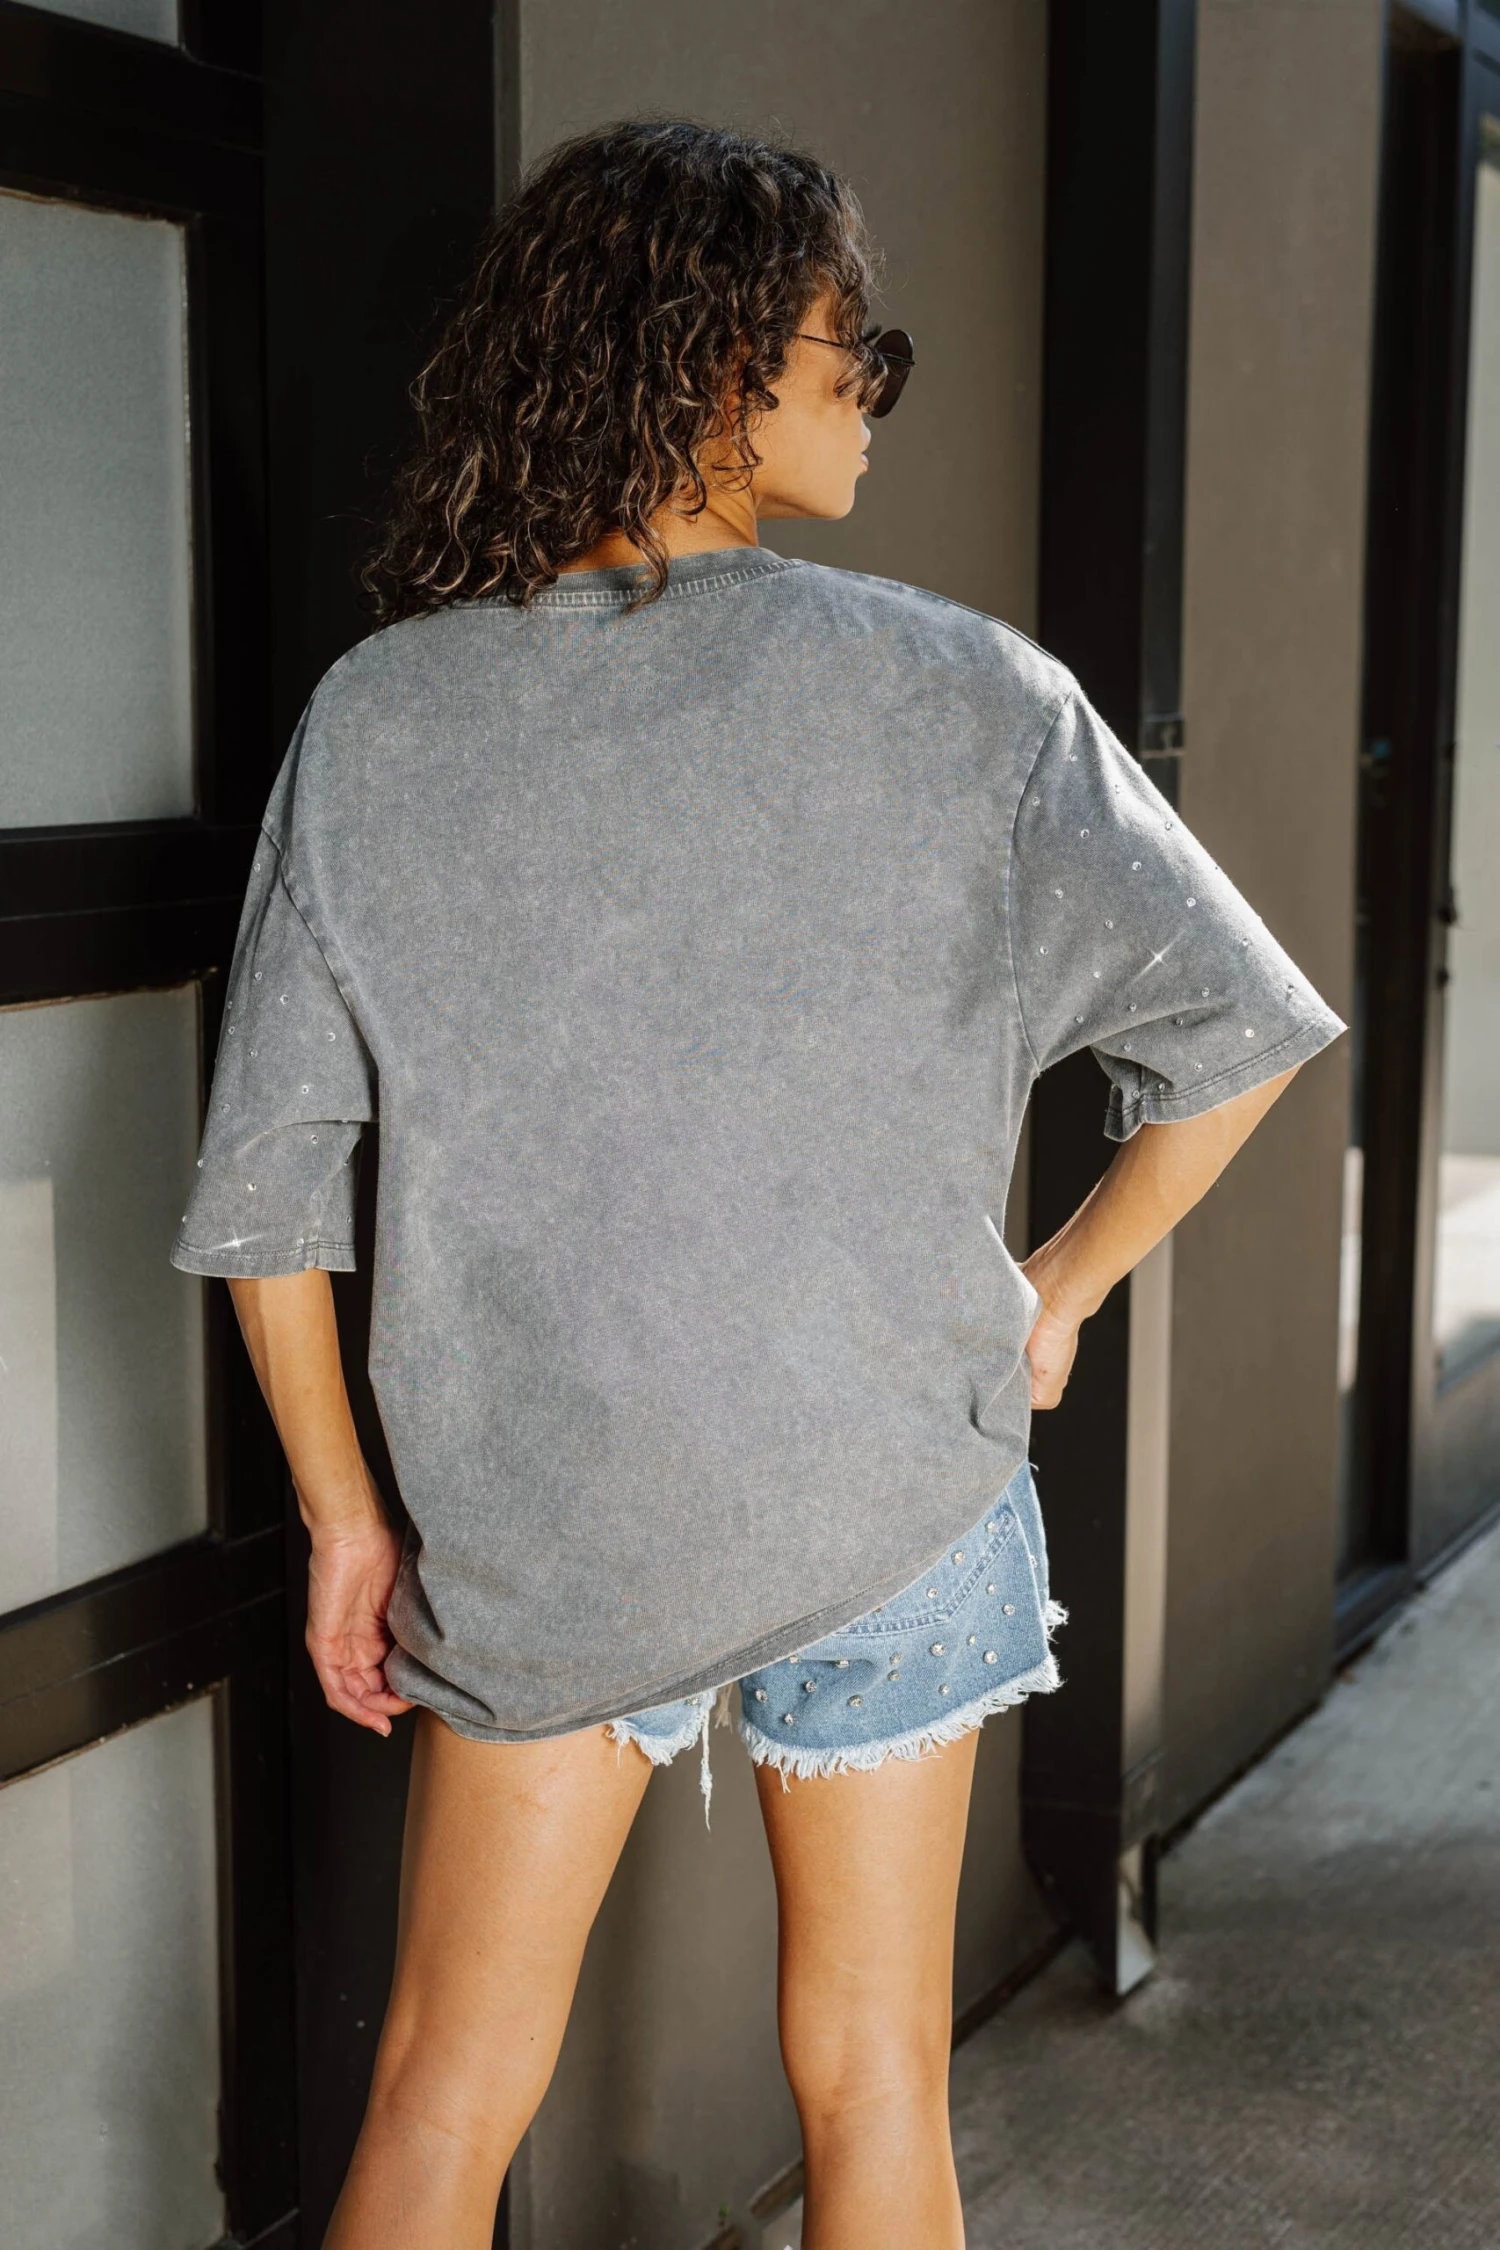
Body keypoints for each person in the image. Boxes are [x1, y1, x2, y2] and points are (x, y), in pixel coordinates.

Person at [171, 121, 1345, 2250]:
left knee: (442, 2092)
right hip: (890, 1480)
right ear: (716, 361)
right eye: (847, 350)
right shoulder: (969, 694)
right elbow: (1239, 1038)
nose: (870, 396)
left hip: (548, 1510)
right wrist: (1059, 1286)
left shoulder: (381, 721)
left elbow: (267, 1195)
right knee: (875, 2079)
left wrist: (346, 1517)